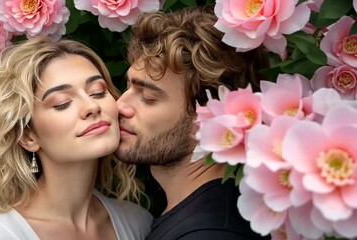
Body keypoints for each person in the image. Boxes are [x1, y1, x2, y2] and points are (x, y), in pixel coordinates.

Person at [0, 37, 152, 240]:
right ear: (27, 136)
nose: (92, 107)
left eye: (98, 92)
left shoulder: (138, 223)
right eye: (62, 103)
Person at [115, 5, 270, 240]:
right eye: (128, 87)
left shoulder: (210, 232)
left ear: (209, 119)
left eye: (147, 98)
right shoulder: (198, 216)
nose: (119, 106)